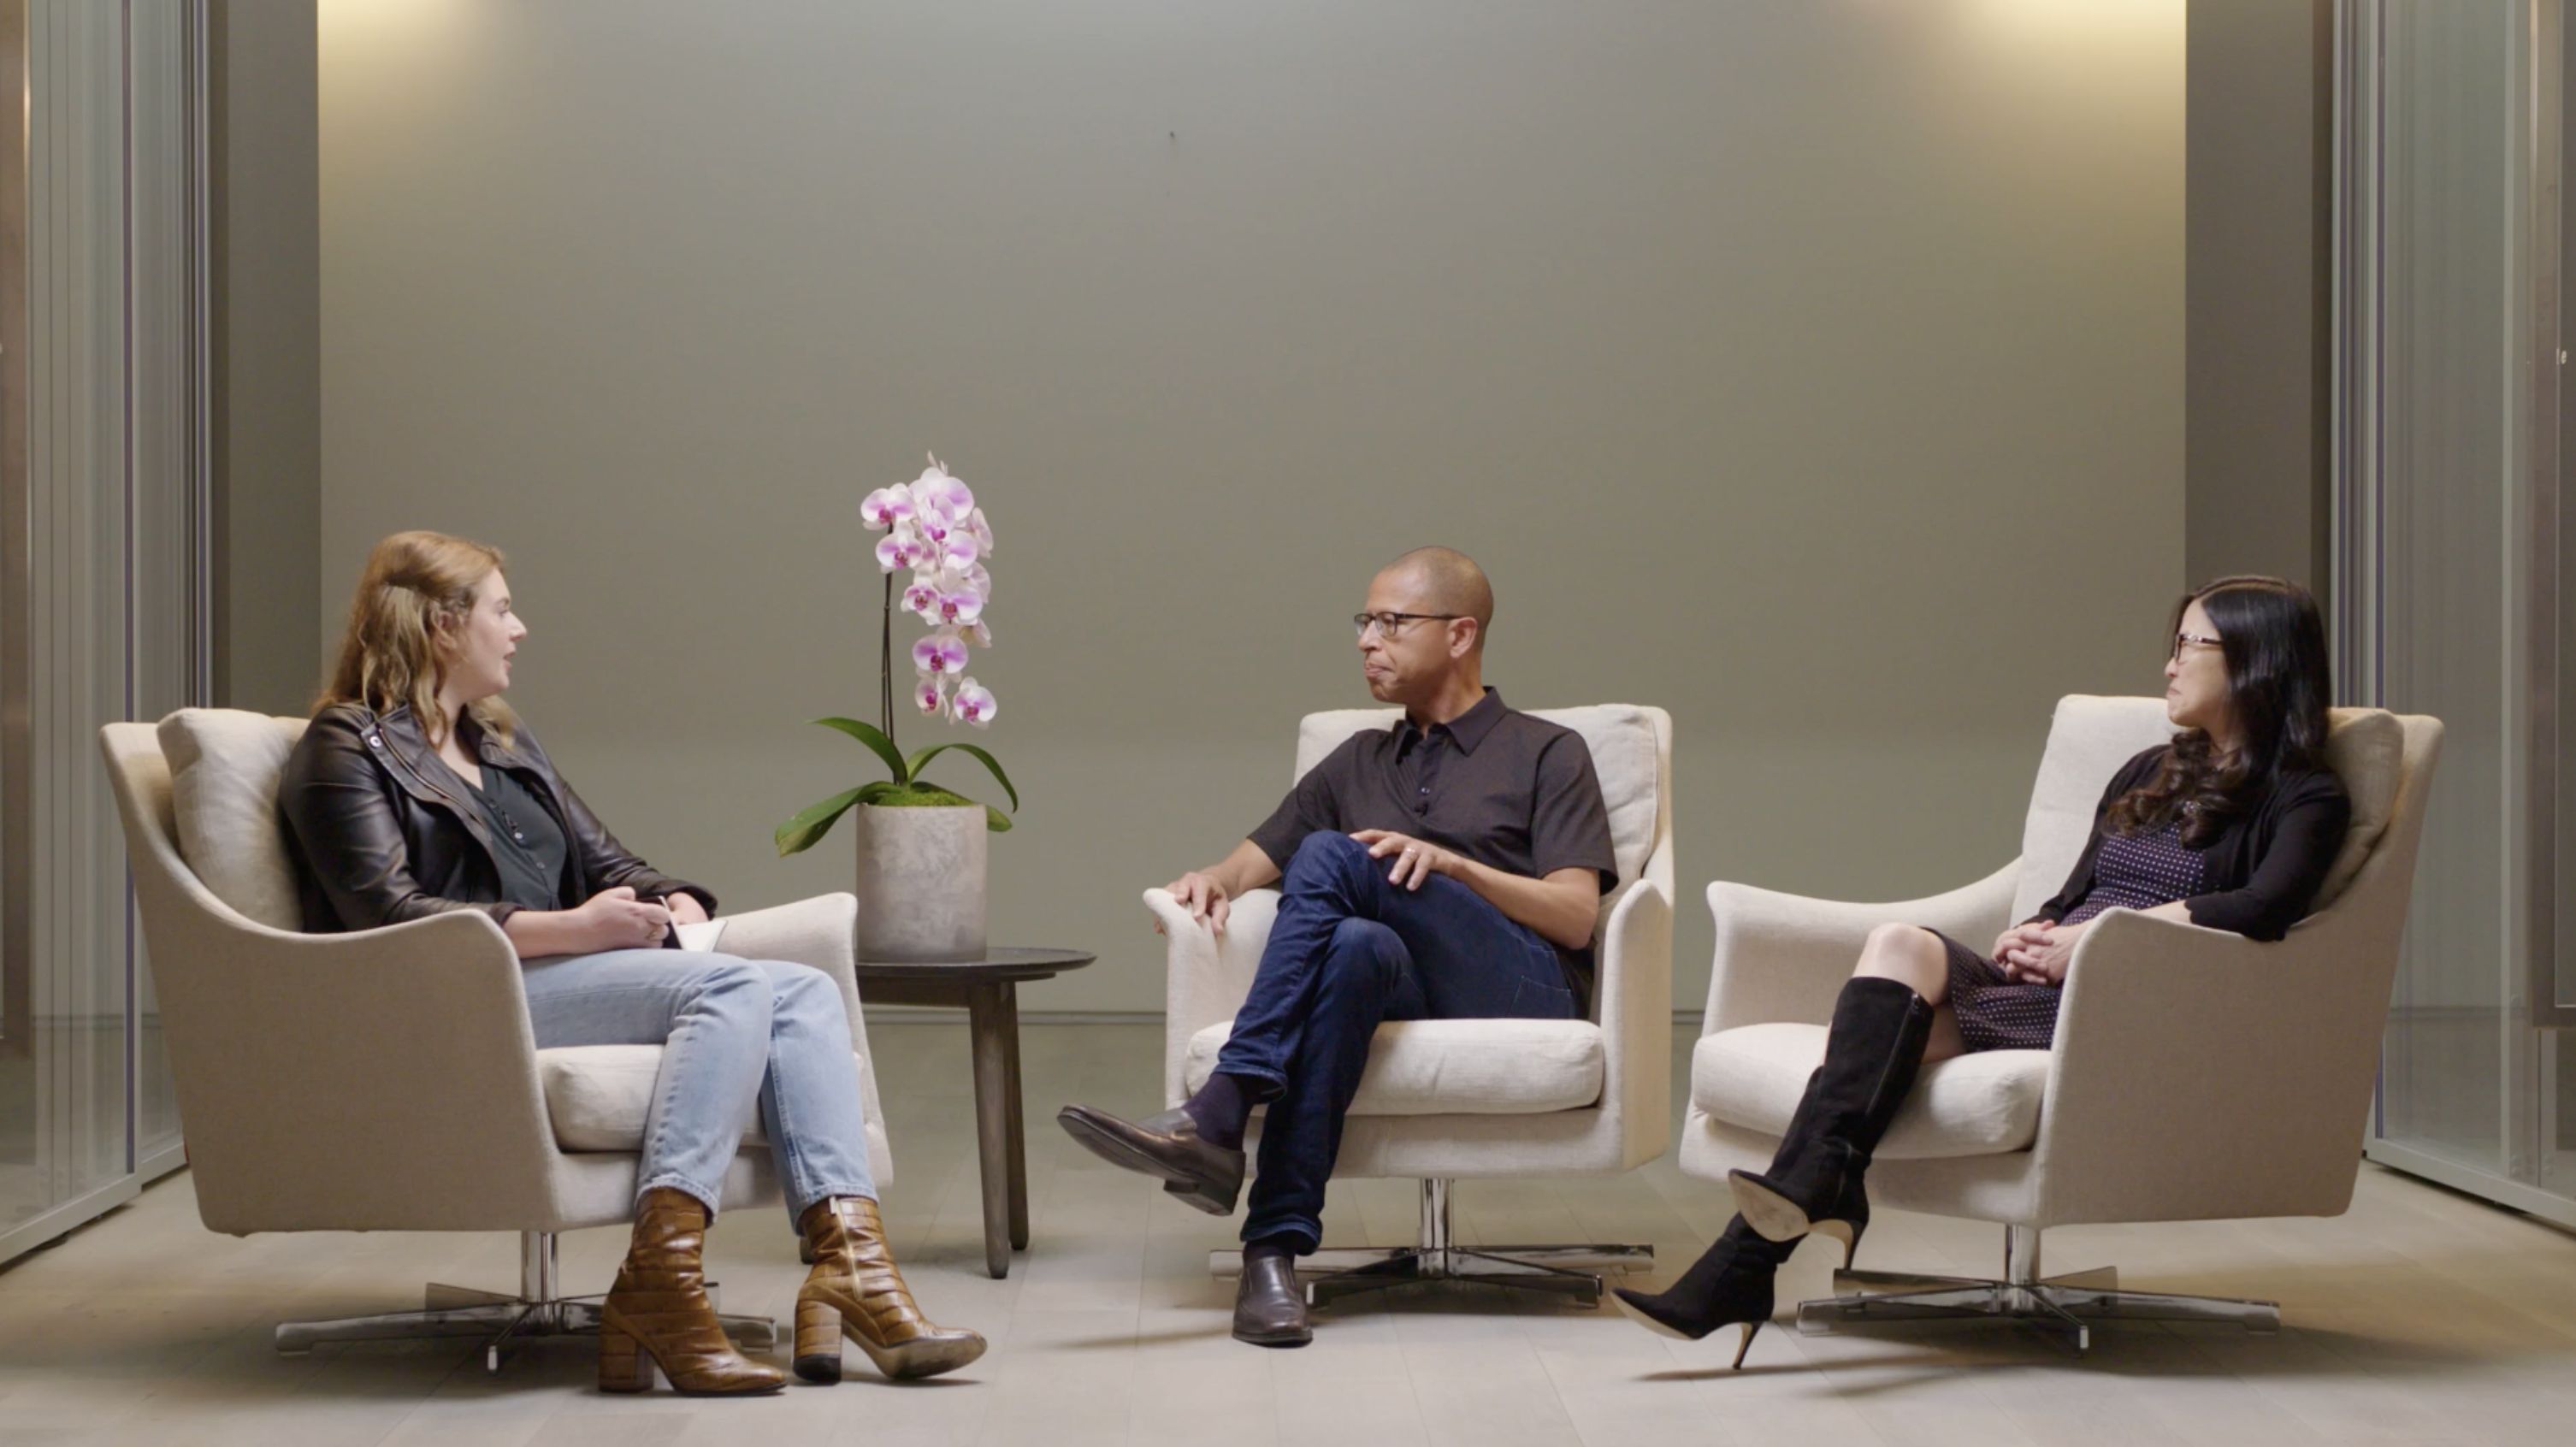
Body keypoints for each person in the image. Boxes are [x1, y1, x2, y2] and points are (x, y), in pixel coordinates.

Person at [280, 530, 984, 1395]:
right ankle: (661, 1278)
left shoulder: (501, 744)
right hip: (450, 995)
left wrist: (669, 897)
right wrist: (574, 929)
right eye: (502, 609)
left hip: (545, 980)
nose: (521, 628)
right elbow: (388, 915)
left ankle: (853, 1270)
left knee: (799, 990)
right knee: (729, 986)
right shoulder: (344, 749)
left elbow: (610, 861)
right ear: (441, 627)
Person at [1615, 576, 2352, 1367]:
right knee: (1901, 945)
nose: (2168, 665)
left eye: (2189, 646)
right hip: (2050, 980)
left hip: (2125, 1002)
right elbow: (2077, 890)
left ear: (2255, 662)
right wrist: (2035, 932)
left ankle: (1747, 1260)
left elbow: (2265, 907)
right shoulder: (2148, 767)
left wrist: (2102, 940)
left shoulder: (2306, 794)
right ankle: (1806, 1203)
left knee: (1871, 1053)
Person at [1056, 546, 1619, 1347]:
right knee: (1352, 946)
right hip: (1403, 982)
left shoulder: (1545, 750)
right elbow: (1256, 857)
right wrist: (1212, 879)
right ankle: (1273, 1254)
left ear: (1460, 635)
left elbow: (1574, 917)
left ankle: (1221, 1109)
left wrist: (1457, 868)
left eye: (1391, 622)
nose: (1367, 640)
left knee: (1329, 857)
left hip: (1523, 984)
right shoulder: (1358, 759)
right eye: (1364, 622)